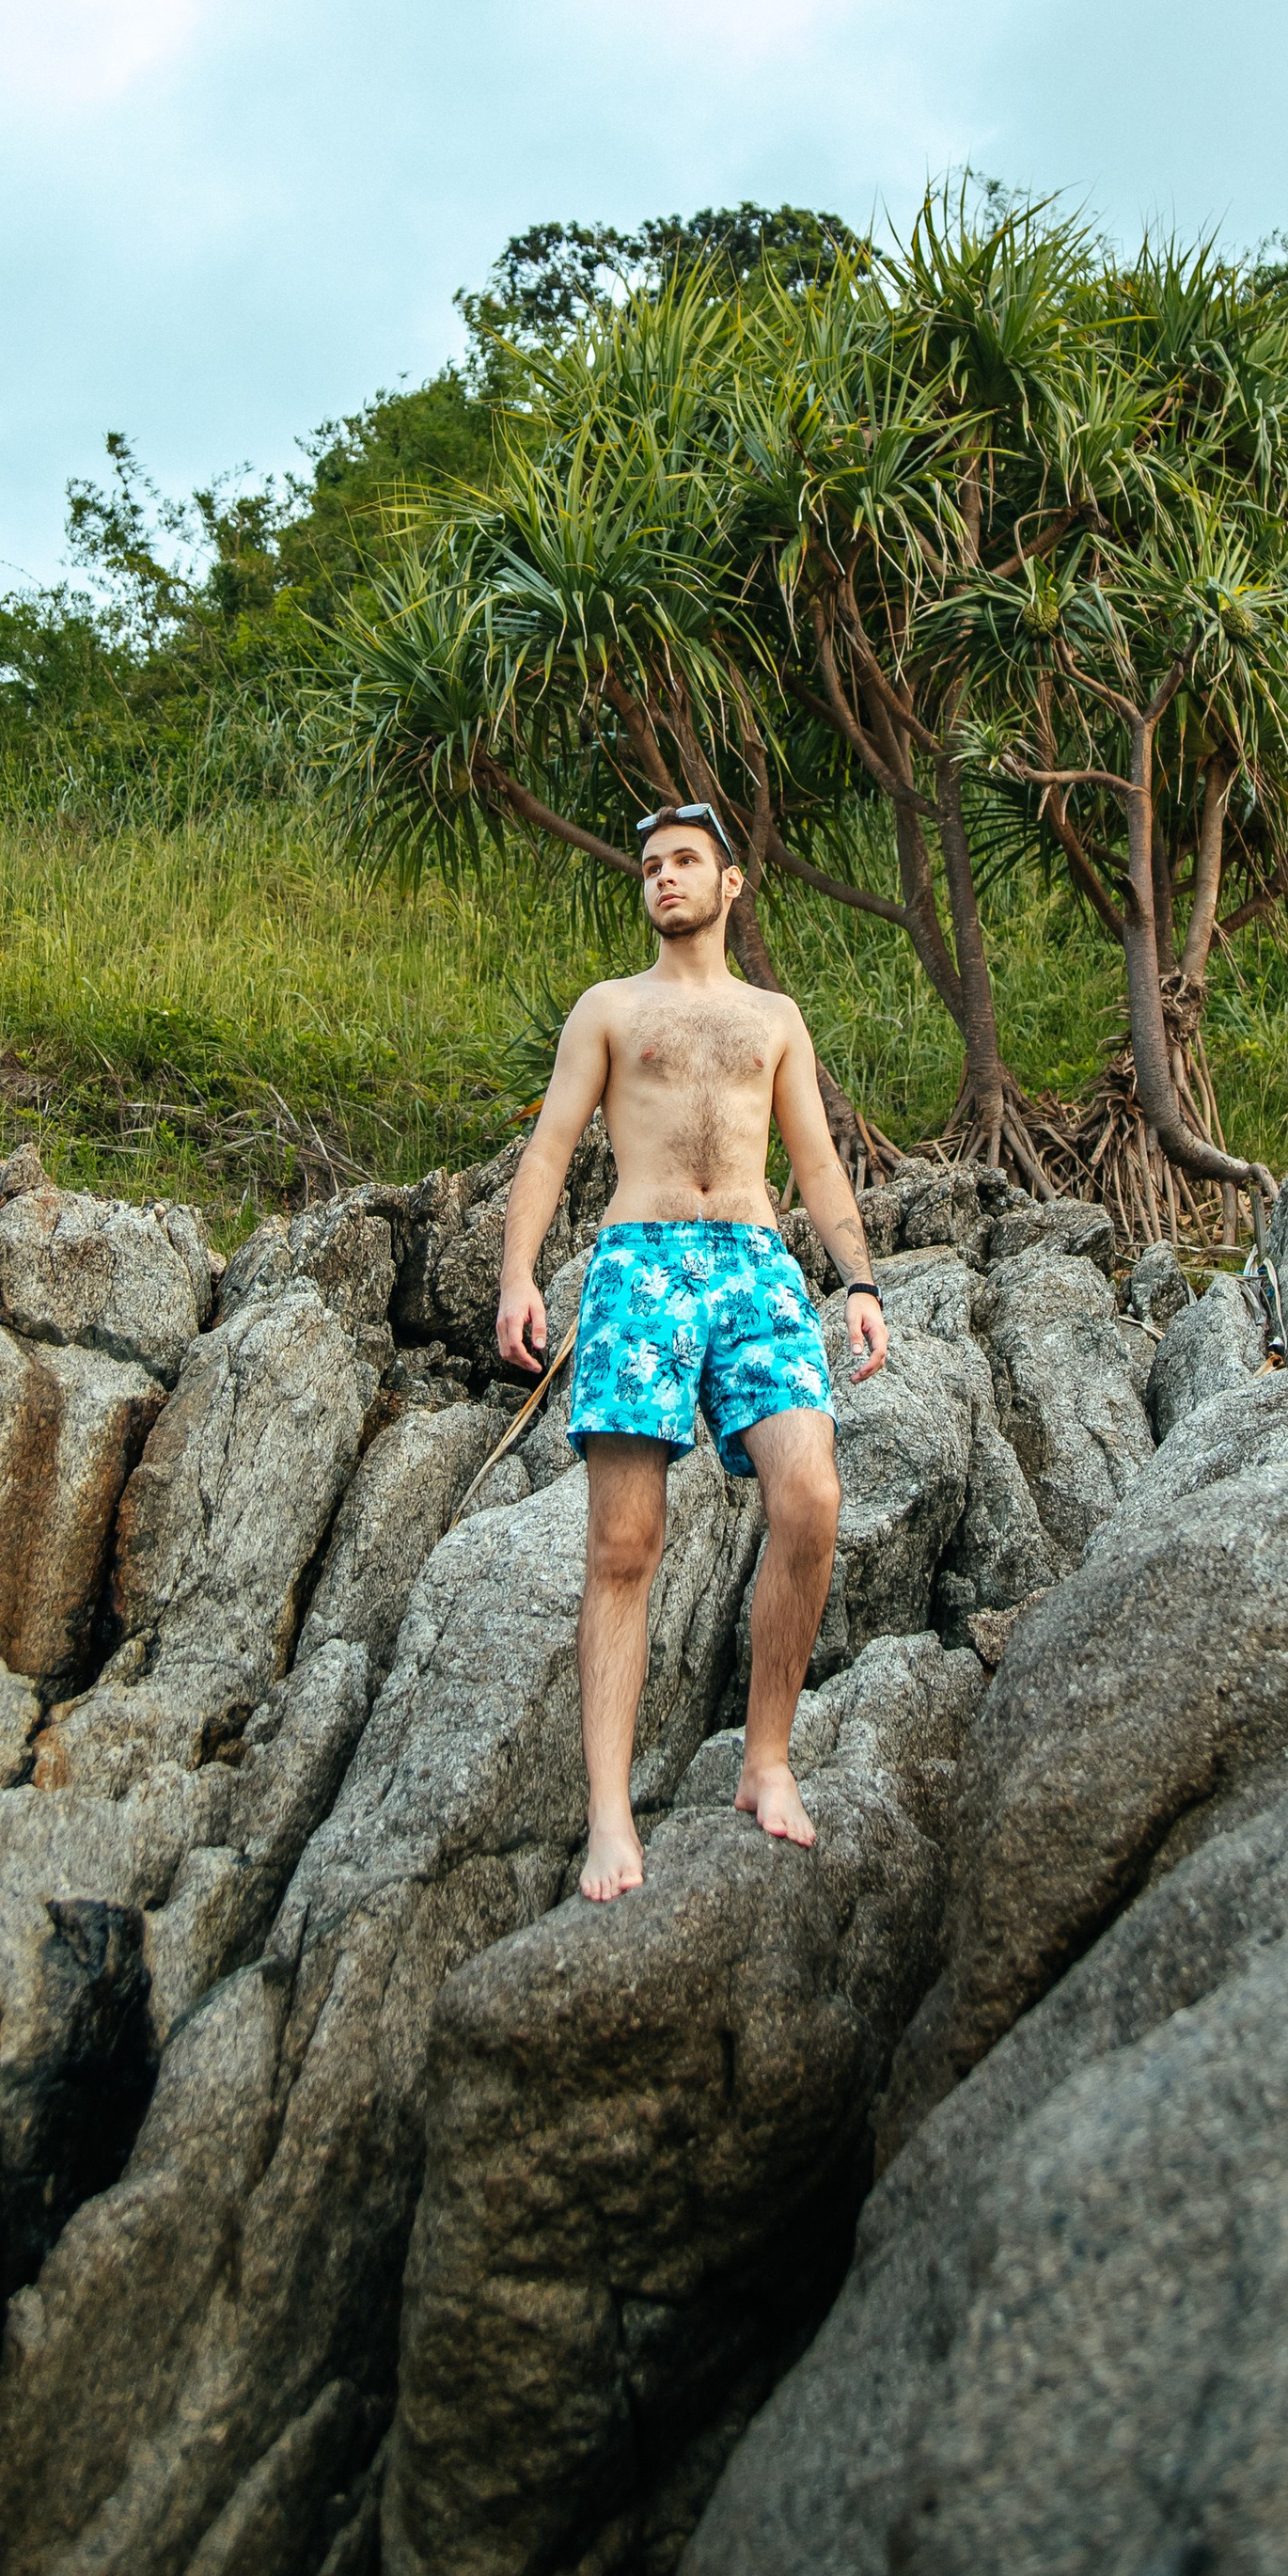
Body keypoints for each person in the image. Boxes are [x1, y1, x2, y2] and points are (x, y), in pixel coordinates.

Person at [495, 800, 887, 1903]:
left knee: (808, 1498)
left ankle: (767, 1760)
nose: (663, 878)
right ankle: (609, 1819)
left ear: (730, 886)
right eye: (650, 865)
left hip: (758, 1267)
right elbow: (552, 1145)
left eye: (684, 863)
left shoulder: (774, 1019)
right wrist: (519, 1275)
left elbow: (813, 1161)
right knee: (625, 1543)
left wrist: (857, 1283)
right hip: (639, 1265)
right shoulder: (609, 1008)